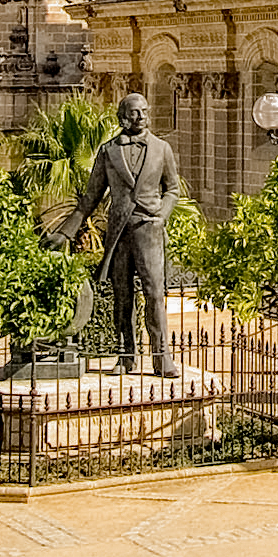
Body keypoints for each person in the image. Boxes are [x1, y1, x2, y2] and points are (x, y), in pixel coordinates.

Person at [69, 93, 185, 376]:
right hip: (119, 232)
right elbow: (91, 196)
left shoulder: (162, 149)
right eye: (134, 112)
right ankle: (125, 355)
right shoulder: (109, 151)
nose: (141, 116)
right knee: (123, 297)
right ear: (123, 116)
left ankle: (162, 356)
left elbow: (172, 188)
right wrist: (68, 230)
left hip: (150, 229)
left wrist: (162, 214)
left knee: (155, 294)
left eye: (144, 111)